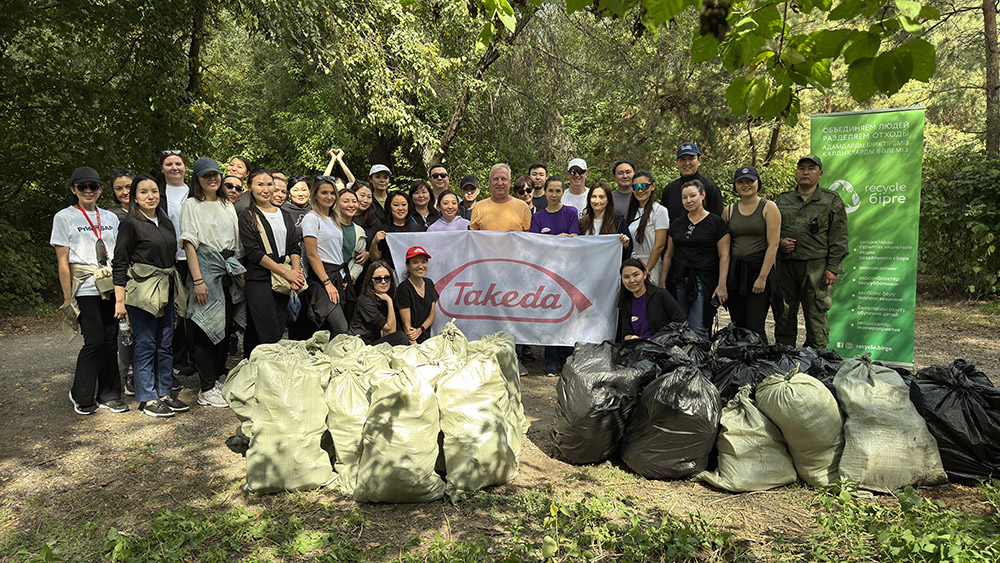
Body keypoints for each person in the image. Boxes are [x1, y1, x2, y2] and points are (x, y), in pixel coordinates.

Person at [112, 174, 189, 417]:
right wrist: (120, 300)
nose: (150, 196)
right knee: (146, 343)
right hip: (142, 292)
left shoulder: (165, 221)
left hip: (166, 289)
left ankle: (165, 393)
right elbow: (120, 263)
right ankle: (147, 397)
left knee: (165, 344)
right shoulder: (131, 224)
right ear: (134, 196)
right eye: (144, 192)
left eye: (154, 191)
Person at [52, 167, 126, 415]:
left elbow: (118, 254)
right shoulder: (64, 217)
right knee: (93, 340)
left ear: (100, 190)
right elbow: (63, 261)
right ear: (73, 189)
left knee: (110, 339)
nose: (87, 191)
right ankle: (81, 394)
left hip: (110, 283)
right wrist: (67, 296)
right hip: (84, 285)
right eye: (81, 187)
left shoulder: (110, 218)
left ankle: (109, 394)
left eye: (92, 186)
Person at [179, 157, 244, 409]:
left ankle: (217, 376)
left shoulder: (227, 204)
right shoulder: (191, 205)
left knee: (225, 326)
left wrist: (238, 271)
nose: (212, 179)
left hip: (227, 267)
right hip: (205, 268)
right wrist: (197, 280)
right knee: (206, 328)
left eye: (215, 174)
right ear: (197, 179)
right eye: (206, 176)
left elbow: (235, 241)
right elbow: (189, 243)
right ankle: (205, 387)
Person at [774, 153, 849, 348]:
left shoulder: (831, 200)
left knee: (816, 316)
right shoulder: (782, 200)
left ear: (820, 174)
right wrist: (781, 242)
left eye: (811, 169)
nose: (805, 172)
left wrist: (833, 267)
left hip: (816, 268)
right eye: (801, 168)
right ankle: (783, 358)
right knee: (784, 315)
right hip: (786, 267)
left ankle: (817, 362)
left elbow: (839, 237)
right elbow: (771, 231)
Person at [239, 169, 306, 356]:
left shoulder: (284, 214)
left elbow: (294, 246)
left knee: (256, 331)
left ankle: (251, 371)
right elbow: (253, 252)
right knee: (271, 335)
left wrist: (295, 273)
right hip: (260, 280)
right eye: (260, 184)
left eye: (269, 184)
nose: (266, 189)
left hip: (284, 282)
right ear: (250, 187)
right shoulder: (247, 216)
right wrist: (286, 273)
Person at [661, 179, 730, 340]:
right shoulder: (677, 223)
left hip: (704, 279)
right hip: (679, 278)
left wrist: (722, 285)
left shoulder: (716, 223)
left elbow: (724, 255)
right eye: (684, 197)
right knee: (680, 324)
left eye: (692, 196)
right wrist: (663, 283)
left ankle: (701, 362)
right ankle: (683, 360)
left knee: (698, 325)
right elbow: (669, 255)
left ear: (703, 195)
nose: (688, 200)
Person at [722, 165, 782, 342]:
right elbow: (723, 246)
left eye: (750, 181)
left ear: (758, 183)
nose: (745, 185)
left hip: (758, 270)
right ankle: (740, 365)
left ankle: (759, 365)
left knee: (755, 325)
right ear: (735, 185)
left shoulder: (768, 207)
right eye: (741, 181)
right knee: (738, 324)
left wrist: (762, 277)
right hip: (736, 273)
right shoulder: (729, 210)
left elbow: (773, 245)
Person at [529, 176, 580, 376]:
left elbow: (575, 237)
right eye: (551, 190)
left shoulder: (571, 212)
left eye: (558, 191)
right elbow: (535, 244)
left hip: (568, 271)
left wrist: (556, 240)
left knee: (567, 314)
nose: (554, 195)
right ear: (545, 192)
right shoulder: (538, 217)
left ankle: (566, 357)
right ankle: (550, 360)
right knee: (550, 315)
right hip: (546, 273)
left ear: (563, 192)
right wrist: (558, 239)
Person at [157, 150, 196, 381]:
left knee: (195, 307)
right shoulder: (158, 194)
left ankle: (196, 355)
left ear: (185, 167)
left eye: (178, 164)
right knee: (176, 310)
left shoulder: (194, 192)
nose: (174, 168)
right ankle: (178, 359)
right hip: (172, 259)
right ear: (162, 168)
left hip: (195, 257)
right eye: (169, 164)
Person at [300, 177, 350, 336]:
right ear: (315, 195)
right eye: (324, 193)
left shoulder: (334, 219)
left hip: (336, 276)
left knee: (329, 331)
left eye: (332, 193)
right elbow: (312, 254)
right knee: (341, 329)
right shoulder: (311, 218)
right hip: (321, 278)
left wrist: (341, 278)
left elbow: (336, 252)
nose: (329, 196)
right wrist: (327, 282)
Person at [107, 168, 136, 395]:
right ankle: (128, 374)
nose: (125, 192)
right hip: (123, 277)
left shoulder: (152, 210)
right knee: (125, 327)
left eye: (129, 186)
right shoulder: (111, 216)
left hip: (150, 278)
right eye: (119, 188)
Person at [618, 258, 686, 340]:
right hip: (640, 348)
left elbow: (682, 321)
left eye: (636, 275)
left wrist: (657, 339)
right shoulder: (626, 302)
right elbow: (626, 333)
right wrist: (633, 338)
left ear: (645, 275)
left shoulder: (660, 295)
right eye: (626, 277)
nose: (632, 280)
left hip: (665, 347)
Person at [659, 142, 724, 223]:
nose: (687, 163)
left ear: (699, 161)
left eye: (691, 158)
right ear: (677, 162)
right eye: (682, 159)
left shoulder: (710, 187)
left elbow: (718, 221)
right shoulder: (669, 190)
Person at [349, 261, 410, 346]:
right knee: (401, 337)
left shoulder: (385, 297)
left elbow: (388, 332)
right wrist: (389, 301)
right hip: (360, 344)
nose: (383, 282)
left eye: (387, 278)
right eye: (378, 279)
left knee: (401, 335)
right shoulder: (364, 301)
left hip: (374, 342)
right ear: (370, 281)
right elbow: (391, 329)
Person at [625, 170, 670, 286]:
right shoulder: (632, 212)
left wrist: (646, 271)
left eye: (644, 186)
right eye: (636, 187)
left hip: (651, 265)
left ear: (652, 186)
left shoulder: (660, 211)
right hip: (634, 265)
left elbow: (659, 246)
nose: (640, 190)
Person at [396, 246, 440, 344]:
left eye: (424, 262)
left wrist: (421, 329)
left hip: (425, 338)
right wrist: (416, 348)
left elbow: (431, 315)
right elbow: (407, 327)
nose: (421, 266)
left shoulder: (429, 284)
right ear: (407, 265)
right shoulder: (403, 289)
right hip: (409, 342)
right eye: (415, 262)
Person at [470, 164, 531, 232]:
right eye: (496, 179)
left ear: (510, 182)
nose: (499, 183)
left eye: (503, 179)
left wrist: (518, 236)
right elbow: (473, 237)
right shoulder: (479, 208)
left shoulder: (523, 207)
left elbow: (529, 238)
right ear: (490, 182)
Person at [579, 182, 632, 260]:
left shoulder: (619, 222)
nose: (597, 201)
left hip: (610, 270)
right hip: (586, 269)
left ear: (608, 200)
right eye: (594, 196)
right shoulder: (582, 223)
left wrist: (625, 245)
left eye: (601, 197)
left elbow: (627, 254)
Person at [369, 191, 422, 267]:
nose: (400, 208)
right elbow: (375, 259)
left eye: (404, 205)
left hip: (413, 272)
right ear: (389, 208)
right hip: (390, 272)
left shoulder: (417, 229)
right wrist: (374, 242)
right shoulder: (383, 230)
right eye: (396, 205)